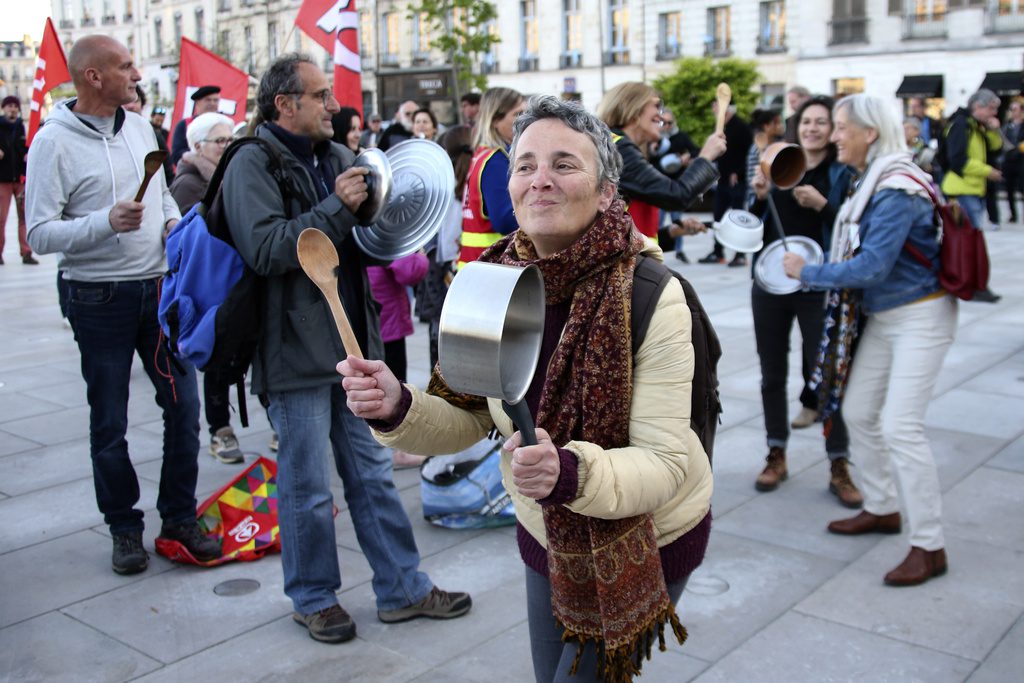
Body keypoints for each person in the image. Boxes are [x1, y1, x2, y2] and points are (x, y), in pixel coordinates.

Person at [339, 94, 712, 682]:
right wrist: (399, 406)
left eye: (565, 164)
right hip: (546, 529)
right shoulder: (491, 277)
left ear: (607, 191)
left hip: (651, 534)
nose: (540, 180)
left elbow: (665, 461)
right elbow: (465, 411)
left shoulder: (652, 292)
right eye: (525, 165)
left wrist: (569, 473)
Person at [220, 53, 471, 644]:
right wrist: (337, 207)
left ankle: (403, 588)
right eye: (321, 96)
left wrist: (394, 214)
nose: (335, 107)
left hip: (353, 342)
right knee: (306, 488)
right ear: (285, 104)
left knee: (373, 474)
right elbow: (269, 250)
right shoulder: (250, 163)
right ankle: (313, 598)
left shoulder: (337, 157)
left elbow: (370, 244)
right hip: (294, 353)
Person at [25, 35, 219, 574]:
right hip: (96, 296)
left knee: (183, 407)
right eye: (125, 66)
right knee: (109, 418)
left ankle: (178, 517)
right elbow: (38, 233)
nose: (136, 74)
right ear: (93, 76)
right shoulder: (51, 142)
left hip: (157, 290)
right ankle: (124, 528)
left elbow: (157, 197)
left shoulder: (139, 127)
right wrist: (103, 223)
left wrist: (177, 230)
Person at [783, 94, 957, 587]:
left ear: (869, 134)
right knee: (857, 411)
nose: (835, 136)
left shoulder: (897, 188)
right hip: (886, 315)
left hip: (921, 315)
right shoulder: (875, 179)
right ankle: (882, 507)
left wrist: (809, 271)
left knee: (902, 427)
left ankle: (929, 544)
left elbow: (872, 266)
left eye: (841, 127)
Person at [747, 95, 862, 508]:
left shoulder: (842, 173)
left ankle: (838, 462)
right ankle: (776, 452)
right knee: (771, 373)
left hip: (817, 283)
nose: (813, 128)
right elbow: (749, 228)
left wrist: (824, 206)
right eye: (807, 121)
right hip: (771, 283)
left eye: (822, 122)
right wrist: (759, 198)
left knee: (827, 374)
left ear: (833, 130)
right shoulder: (775, 163)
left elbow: (855, 230)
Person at [168, 112, 244, 464]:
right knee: (216, 355)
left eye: (231, 140)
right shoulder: (188, 183)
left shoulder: (232, 174)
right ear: (198, 146)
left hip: (234, 278)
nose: (227, 146)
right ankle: (220, 430)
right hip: (209, 288)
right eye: (220, 141)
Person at [596, 82, 724, 252]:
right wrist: (706, 157)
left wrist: (673, 232)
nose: (662, 117)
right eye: (657, 106)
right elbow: (676, 195)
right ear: (633, 107)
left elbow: (630, 237)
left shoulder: (612, 145)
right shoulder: (620, 150)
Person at [939, 88, 1003, 302]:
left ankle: (973, 283)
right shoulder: (961, 125)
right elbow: (958, 160)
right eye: (991, 109)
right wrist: (988, 171)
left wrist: (994, 131)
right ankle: (969, 284)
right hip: (961, 189)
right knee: (968, 242)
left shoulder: (976, 126)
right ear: (978, 106)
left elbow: (996, 148)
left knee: (971, 240)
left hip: (972, 189)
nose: (994, 114)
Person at [457, 87, 525, 269]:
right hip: (489, 268)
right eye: (517, 114)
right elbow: (505, 220)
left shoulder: (485, 154)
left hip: (481, 267)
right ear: (495, 119)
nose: (525, 121)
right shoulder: (496, 160)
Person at [701, 100, 753, 266]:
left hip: (737, 181)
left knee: (738, 218)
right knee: (718, 216)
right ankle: (718, 252)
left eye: (716, 106)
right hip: (722, 179)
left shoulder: (742, 127)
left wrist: (739, 172)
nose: (713, 110)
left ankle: (740, 254)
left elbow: (750, 153)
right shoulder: (721, 128)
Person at [0, 95, 37, 265]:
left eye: (15, 105)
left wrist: (29, 154)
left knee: (24, 217)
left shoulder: (24, 129)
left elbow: (29, 149)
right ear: (4, 108)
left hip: (21, 180)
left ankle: (27, 252)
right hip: (3, 180)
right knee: (1, 218)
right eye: (9, 106)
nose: (13, 108)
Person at [170, 84, 221, 165]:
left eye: (215, 100)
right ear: (197, 103)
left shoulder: (223, 124)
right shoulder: (184, 125)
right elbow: (176, 154)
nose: (212, 103)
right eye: (208, 100)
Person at [745, 107, 784, 209]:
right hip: (758, 199)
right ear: (766, 126)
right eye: (776, 123)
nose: (780, 126)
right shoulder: (756, 148)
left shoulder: (777, 144)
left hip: (776, 198)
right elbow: (752, 179)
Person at [1001, 99, 1023, 224]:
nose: (1012, 112)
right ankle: (1013, 214)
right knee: (1009, 189)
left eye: (1015, 109)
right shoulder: (1006, 127)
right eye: (1011, 110)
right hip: (1009, 161)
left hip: (1021, 161)